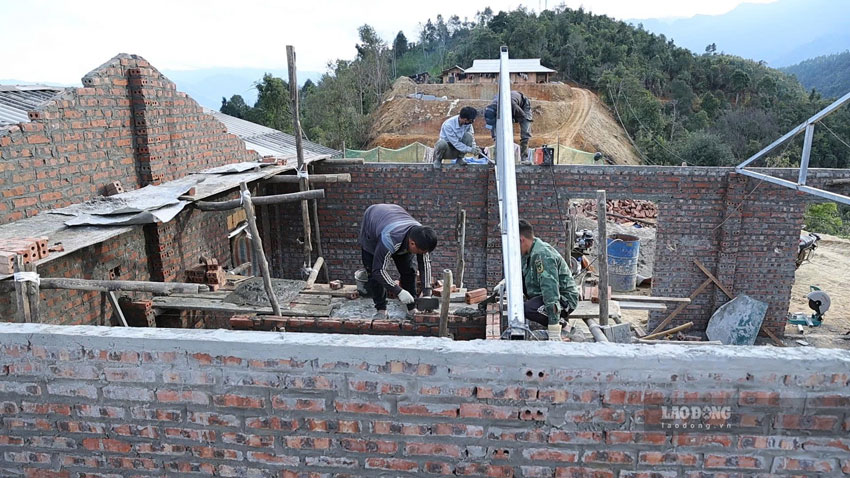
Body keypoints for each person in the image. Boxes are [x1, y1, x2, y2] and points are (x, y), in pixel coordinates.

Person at [359, 204, 437, 318]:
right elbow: (378, 270)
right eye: (420, 252)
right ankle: (381, 310)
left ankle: (412, 309)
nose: (422, 254)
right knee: (373, 272)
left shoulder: (422, 235)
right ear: (412, 243)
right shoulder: (390, 238)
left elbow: (425, 265)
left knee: (408, 272)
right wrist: (398, 291)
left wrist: (427, 293)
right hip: (372, 225)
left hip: (394, 217)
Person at [519, 219, 579, 341]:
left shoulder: (542, 255)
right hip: (544, 293)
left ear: (521, 240)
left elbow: (550, 291)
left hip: (564, 299)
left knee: (527, 309)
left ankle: (564, 327)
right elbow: (522, 274)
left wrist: (553, 326)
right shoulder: (529, 252)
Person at [484, 90, 533, 161]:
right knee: (497, 136)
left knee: (525, 134)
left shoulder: (512, 105)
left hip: (522, 107)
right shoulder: (489, 111)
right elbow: (492, 126)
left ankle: (524, 158)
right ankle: (497, 157)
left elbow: (522, 116)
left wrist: (511, 121)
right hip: (507, 108)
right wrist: (495, 138)